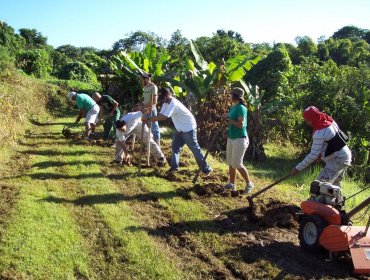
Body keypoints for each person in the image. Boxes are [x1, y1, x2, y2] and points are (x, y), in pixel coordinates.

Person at [142, 87, 212, 175]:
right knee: (175, 147)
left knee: (194, 148)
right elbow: (160, 115)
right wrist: (149, 117)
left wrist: (148, 118)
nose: (163, 100)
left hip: (188, 127)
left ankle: (206, 169)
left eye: (163, 98)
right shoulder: (165, 103)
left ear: (168, 95)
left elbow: (163, 117)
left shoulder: (173, 103)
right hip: (179, 129)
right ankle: (174, 168)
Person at [290, 106, 352, 187]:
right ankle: (336, 199)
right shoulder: (329, 120)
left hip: (338, 159)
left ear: (313, 119)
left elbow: (313, 155)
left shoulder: (320, 132)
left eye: (308, 121)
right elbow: (331, 141)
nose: (308, 123)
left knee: (319, 186)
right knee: (334, 187)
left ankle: (316, 200)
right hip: (345, 156)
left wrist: (297, 168)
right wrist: (320, 154)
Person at [223, 87, 254, 193]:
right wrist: (227, 130)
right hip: (231, 138)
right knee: (231, 163)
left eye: (230, 95)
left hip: (240, 139)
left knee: (237, 163)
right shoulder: (233, 107)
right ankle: (232, 184)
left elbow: (240, 125)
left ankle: (249, 184)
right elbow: (232, 123)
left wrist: (229, 119)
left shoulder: (241, 108)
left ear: (235, 96)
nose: (229, 97)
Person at [140, 72, 160, 145]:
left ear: (146, 79)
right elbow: (146, 99)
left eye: (142, 80)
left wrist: (148, 107)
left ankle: (157, 144)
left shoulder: (153, 87)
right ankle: (147, 144)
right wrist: (142, 105)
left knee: (154, 128)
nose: (141, 81)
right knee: (144, 127)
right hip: (145, 110)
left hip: (151, 110)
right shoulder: (145, 87)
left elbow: (154, 101)